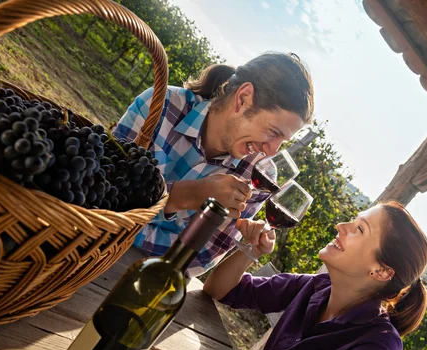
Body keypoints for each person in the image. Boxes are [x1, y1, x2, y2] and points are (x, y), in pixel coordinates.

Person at [114, 52, 314, 277]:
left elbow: (197, 259)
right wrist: (188, 195)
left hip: (148, 279)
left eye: (283, 141)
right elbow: (103, 192)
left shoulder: (259, 175)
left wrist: (129, 222)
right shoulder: (161, 105)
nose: (272, 151)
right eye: (273, 132)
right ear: (243, 99)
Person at [204, 201, 427, 350]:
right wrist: (251, 249)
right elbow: (219, 289)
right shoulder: (316, 285)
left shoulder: (380, 346)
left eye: (359, 229)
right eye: (354, 220)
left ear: (381, 271)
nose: (341, 226)